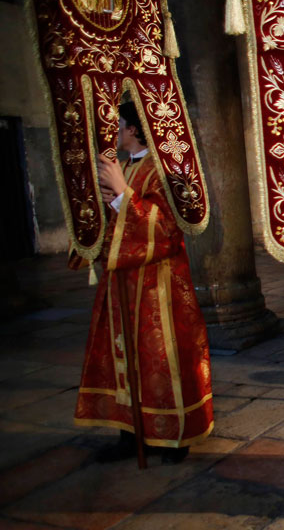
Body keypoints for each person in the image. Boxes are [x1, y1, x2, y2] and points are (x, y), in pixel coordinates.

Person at [73, 101, 213, 463]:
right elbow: (107, 224)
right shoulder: (118, 166)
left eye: (116, 125)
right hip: (120, 280)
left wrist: (122, 195)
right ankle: (129, 429)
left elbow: (166, 229)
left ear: (132, 129)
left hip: (158, 285)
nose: (112, 132)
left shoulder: (165, 169)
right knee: (122, 355)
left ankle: (174, 434)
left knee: (162, 358)